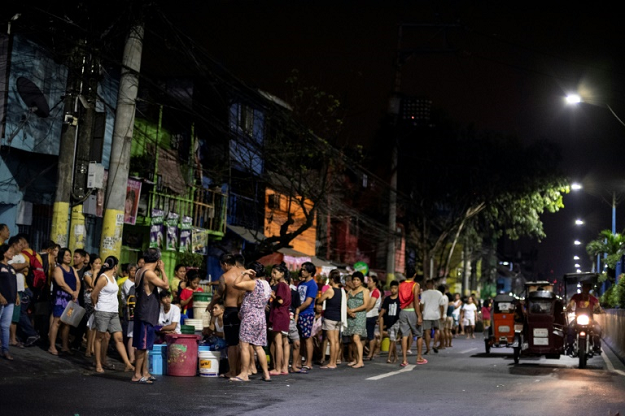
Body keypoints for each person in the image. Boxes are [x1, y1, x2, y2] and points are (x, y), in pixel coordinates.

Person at [131, 248, 169, 384]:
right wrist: (163, 270)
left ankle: (145, 372)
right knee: (142, 346)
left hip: (144, 311)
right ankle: (137, 374)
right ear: (158, 260)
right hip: (146, 313)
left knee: (145, 345)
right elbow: (166, 285)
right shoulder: (149, 274)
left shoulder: (140, 271)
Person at [91, 256, 134, 373]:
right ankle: (98, 363)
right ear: (115, 266)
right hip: (103, 311)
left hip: (113, 312)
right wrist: (96, 307)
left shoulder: (113, 278)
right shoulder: (103, 278)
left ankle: (127, 363)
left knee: (118, 338)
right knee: (100, 337)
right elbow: (93, 295)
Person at [231, 262, 272, 382]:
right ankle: (266, 373)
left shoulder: (254, 283)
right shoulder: (266, 285)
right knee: (258, 347)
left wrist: (243, 273)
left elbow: (236, 284)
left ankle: (244, 373)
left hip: (250, 317)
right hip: (260, 317)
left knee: (244, 345)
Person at [206, 253, 244, 379]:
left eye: (222, 266)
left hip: (231, 310)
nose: (222, 268)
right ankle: (241, 370)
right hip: (244, 310)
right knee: (243, 343)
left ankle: (232, 371)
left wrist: (211, 304)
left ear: (225, 264)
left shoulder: (225, 277)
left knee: (232, 344)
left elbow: (219, 294)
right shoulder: (244, 272)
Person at [48, 248, 80, 356]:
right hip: (61, 299)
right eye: (66, 255)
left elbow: (78, 282)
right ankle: (52, 346)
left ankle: (65, 346)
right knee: (57, 321)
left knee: (67, 323)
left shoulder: (72, 269)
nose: (69, 257)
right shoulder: (58, 269)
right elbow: (61, 283)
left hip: (71, 299)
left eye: (69, 255)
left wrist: (76, 292)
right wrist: (72, 292)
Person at [316, 269, 346, 369]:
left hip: (330, 318)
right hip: (338, 318)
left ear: (332, 279)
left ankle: (331, 363)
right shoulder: (341, 291)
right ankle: (334, 361)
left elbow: (320, 299)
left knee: (331, 341)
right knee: (336, 341)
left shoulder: (330, 290)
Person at [294, 262, 319, 371]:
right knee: (299, 338)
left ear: (310, 272)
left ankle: (309, 362)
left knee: (307, 338)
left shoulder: (312, 284)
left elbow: (308, 301)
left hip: (306, 313)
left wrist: (298, 309)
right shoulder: (300, 283)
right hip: (298, 313)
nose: (302, 271)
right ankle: (299, 361)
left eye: (304, 269)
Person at [398, 266, 425, 366]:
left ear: (405, 274)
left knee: (404, 336)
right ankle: (419, 357)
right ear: (415, 274)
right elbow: (415, 301)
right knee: (419, 335)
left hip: (403, 311)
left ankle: (404, 360)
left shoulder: (400, 285)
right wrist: (419, 316)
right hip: (412, 311)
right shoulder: (415, 285)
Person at [344, 271, 370, 369]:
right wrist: (349, 312)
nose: (355, 282)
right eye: (354, 280)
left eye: (357, 280)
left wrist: (353, 310)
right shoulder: (350, 291)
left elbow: (365, 305)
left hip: (359, 316)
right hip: (350, 316)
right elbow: (344, 302)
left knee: (356, 338)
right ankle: (355, 359)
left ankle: (360, 361)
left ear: (361, 281)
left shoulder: (365, 290)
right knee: (352, 339)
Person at [268, 263, 291, 376]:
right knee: (284, 342)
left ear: (282, 273)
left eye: (274, 273)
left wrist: (272, 295)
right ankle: (284, 367)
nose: (272, 275)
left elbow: (280, 301)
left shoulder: (281, 285)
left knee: (278, 342)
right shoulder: (286, 285)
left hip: (279, 314)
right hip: (285, 314)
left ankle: (277, 368)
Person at [566, 282, 603, 353]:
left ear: (589, 289)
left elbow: (597, 305)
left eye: (587, 287)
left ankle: (596, 346)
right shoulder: (576, 296)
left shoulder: (593, 298)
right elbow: (571, 303)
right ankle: (570, 346)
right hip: (577, 319)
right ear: (582, 288)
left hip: (590, 320)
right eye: (584, 287)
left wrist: (598, 309)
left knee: (598, 329)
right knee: (570, 328)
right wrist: (569, 307)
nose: (586, 289)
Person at [0, 244, 19, 360]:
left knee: (5, 325)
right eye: (10, 251)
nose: (12, 253)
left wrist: (16, 295)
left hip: (10, 301)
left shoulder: (11, 268)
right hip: (1, 300)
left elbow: (14, 283)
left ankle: (5, 350)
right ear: (3, 253)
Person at [83, 254, 102, 357]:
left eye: (100, 263)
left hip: (99, 301)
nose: (98, 265)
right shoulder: (87, 274)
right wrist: (94, 274)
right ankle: (88, 348)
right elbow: (93, 285)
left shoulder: (102, 275)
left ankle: (93, 347)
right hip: (89, 301)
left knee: (96, 326)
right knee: (90, 325)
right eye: (96, 263)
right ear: (91, 264)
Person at [378, 280, 400, 363]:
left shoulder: (400, 299)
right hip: (389, 323)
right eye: (392, 288)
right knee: (392, 339)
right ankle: (396, 356)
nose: (393, 290)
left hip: (397, 322)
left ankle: (389, 357)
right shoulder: (387, 299)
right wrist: (379, 318)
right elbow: (383, 309)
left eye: (395, 288)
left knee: (392, 339)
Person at [421, 279, 445, 354]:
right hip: (436, 315)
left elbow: (421, 304)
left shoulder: (424, 293)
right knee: (437, 330)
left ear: (427, 285)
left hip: (426, 315)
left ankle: (428, 349)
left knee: (427, 332)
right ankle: (434, 344)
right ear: (434, 285)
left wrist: (421, 313)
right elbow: (442, 306)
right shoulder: (439, 293)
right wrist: (442, 315)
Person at [121, 263, 137, 364]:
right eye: (132, 270)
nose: (133, 272)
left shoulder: (138, 282)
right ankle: (131, 357)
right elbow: (131, 296)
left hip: (138, 309)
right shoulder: (127, 283)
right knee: (130, 333)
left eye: (135, 270)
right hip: (130, 309)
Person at [365, 275, 382, 360]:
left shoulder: (375, 292)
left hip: (371, 315)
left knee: (370, 335)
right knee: (367, 335)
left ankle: (370, 354)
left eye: (370, 281)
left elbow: (371, 305)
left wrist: (362, 312)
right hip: (368, 315)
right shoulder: (369, 291)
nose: (368, 282)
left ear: (374, 283)